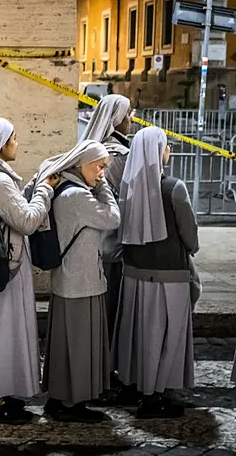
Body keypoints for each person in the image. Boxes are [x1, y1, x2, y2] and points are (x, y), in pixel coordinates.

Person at [0, 117, 58, 425]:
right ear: (1, 145)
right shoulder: (0, 181)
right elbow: (28, 221)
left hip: (4, 267)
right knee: (2, 335)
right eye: (14, 138)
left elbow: (16, 206)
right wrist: (45, 191)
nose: (18, 143)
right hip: (8, 270)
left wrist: (37, 184)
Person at [113, 127, 197, 419]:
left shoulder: (127, 187)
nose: (168, 151)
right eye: (165, 146)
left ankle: (137, 384)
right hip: (169, 274)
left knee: (140, 335)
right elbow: (190, 235)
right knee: (167, 335)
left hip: (135, 274)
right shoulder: (174, 188)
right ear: (157, 151)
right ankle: (158, 394)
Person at [35, 140, 121, 423]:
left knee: (66, 345)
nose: (101, 173)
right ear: (81, 164)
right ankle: (72, 404)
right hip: (80, 283)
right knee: (79, 345)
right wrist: (103, 187)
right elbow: (112, 218)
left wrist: (96, 183)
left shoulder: (67, 189)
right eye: (99, 167)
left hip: (71, 280)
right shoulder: (77, 196)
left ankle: (62, 399)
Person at [80, 94, 134, 339]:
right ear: (116, 119)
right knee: (109, 307)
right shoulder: (118, 155)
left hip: (92, 239)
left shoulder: (89, 151)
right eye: (127, 114)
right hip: (111, 241)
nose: (130, 120)